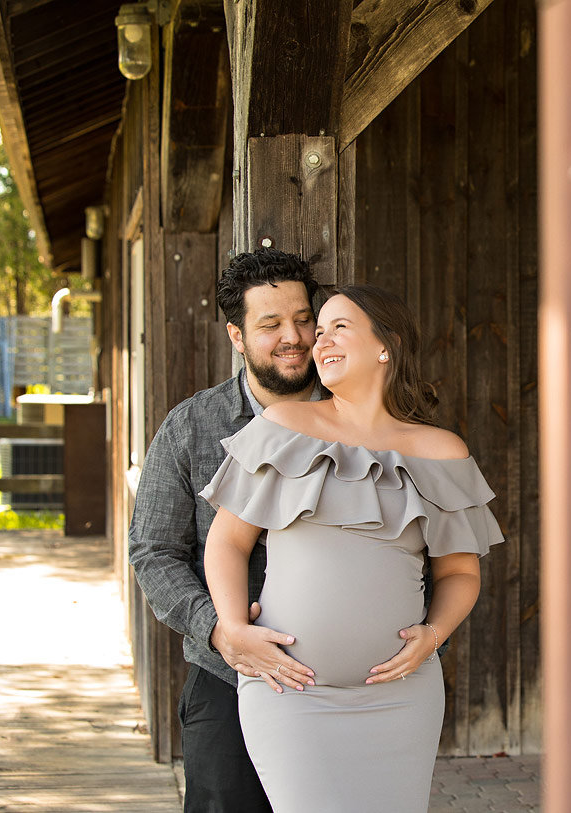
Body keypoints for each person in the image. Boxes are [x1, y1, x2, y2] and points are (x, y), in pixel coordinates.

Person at [200, 285, 504, 812]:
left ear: (386, 345)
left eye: (338, 327)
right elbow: (226, 541)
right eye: (320, 333)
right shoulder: (283, 428)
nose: (320, 342)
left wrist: (433, 636)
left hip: (402, 696)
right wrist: (233, 627)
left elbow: (460, 574)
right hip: (291, 693)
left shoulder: (441, 451)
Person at [128, 247, 322, 813]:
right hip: (228, 678)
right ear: (237, 336)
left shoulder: (362, 421)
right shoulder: (192, 426)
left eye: (304, 319)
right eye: (271, 325)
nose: (294, 337)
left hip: (348, 683)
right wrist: (219, 631)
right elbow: (153, 551)